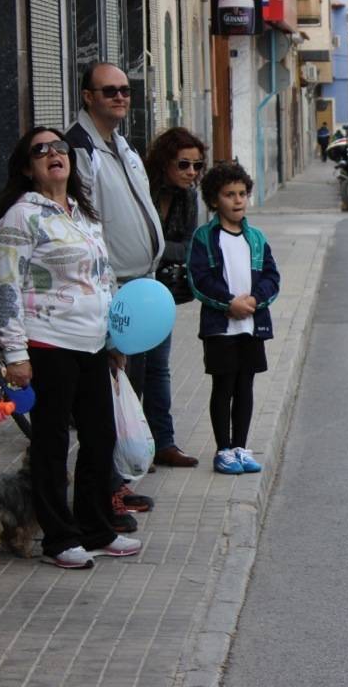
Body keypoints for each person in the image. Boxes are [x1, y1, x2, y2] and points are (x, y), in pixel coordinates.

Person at [0, 127, 143, 568]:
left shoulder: (82, 213)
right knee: (52, 443)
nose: (54, 153)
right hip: (47, 342)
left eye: (60, 147)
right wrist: (15, 354)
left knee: (100, 436)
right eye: (41, 150)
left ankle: (97, 529)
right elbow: (6, 289)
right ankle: (59, 539)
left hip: (93, 343)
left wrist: (115, 338)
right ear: (27, 167)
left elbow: (104, 278)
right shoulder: (22, 217)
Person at [65, 62, 162, 529]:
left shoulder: (122, 144)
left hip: (139, 287)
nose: (121, 97)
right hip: (110, 290)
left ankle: (117, 483)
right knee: (104, 405)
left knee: (128, 394)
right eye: (109, 91)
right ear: (88, 96)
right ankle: (105, 495)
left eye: (125, 90)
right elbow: (86, 226)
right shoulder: (78, 148)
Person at [188, 161, 281, 476]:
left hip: (251, 326)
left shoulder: (255, 238)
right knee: (223, 386)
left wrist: (255, 300)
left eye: (242, 193)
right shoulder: (204, 238)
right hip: (221, 328)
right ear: (215, 200)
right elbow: (199, 279)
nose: (238, 200)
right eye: (229, 194)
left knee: (245, 385)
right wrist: (229, 303)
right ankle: (223, 450)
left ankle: (241, 446)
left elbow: (271, 276)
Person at [143, 127, 206, 468]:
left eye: (197, 165)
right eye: (184, 164)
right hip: (127, 288)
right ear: (164, 161)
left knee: (158, 368)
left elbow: (189, 247)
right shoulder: (141, 189)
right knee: (129, 371)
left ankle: (163, 443)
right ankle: (131, 446)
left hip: (161, 293)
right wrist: (163, 249)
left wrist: (154, 248)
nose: (191, 172)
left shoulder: (188, 197)